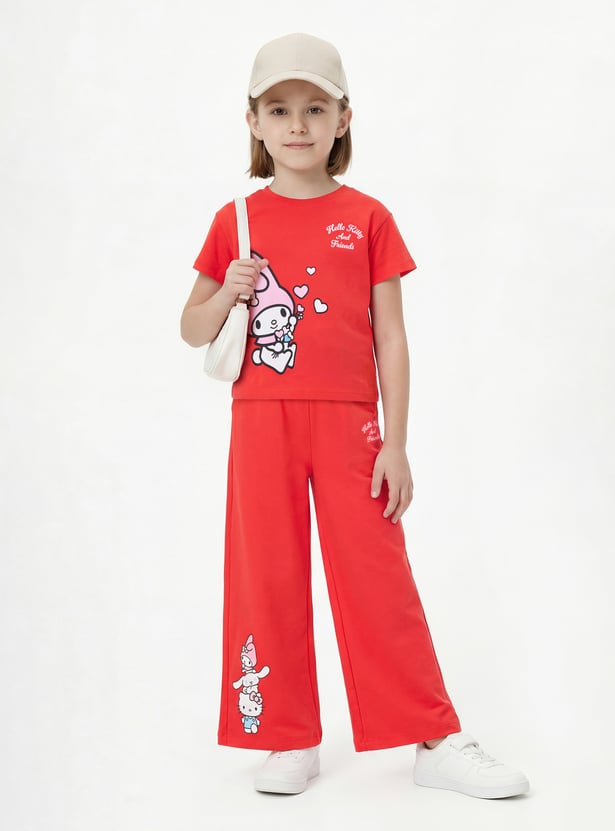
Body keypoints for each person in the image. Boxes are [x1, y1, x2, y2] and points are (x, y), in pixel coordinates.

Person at [180, 32, 530, 800]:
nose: (296, 124)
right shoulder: (234, 219)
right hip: (261, 420)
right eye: (279, 109)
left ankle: (431, 735)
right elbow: (191, 328)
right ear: (252, 120)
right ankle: (285, 735)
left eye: (314, 107)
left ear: (343, 118)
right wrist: (227, 288)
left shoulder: (367, 216)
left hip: (350, 423)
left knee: (376, 574)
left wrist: (394, 443)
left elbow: (390, 337)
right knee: (265, 572)